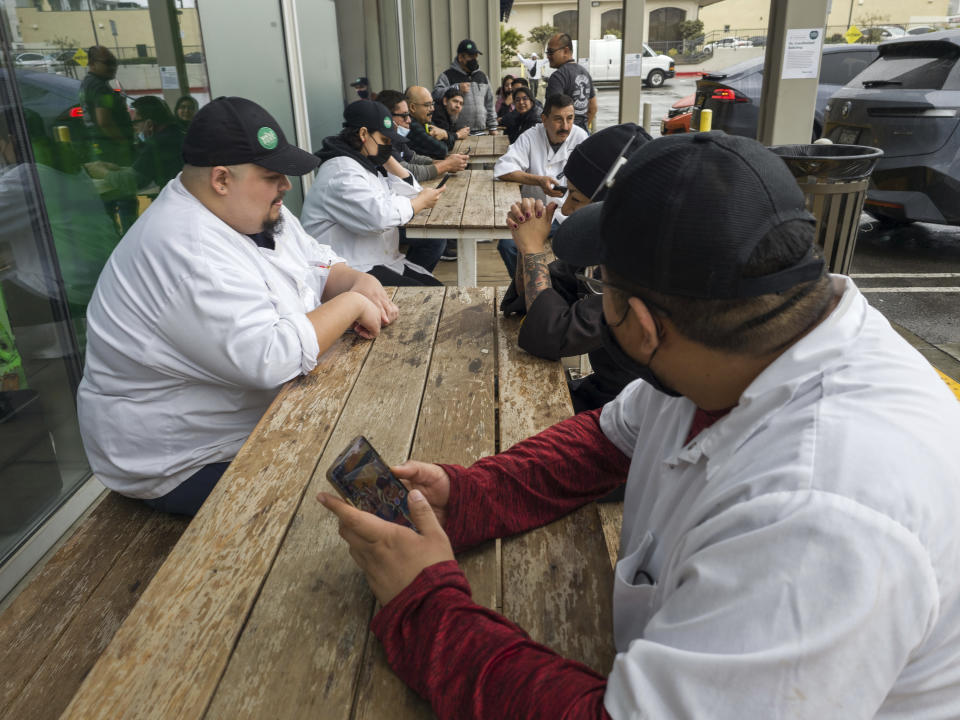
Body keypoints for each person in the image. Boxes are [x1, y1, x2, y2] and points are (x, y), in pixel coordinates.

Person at [319, 131, 960, 718]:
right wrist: (470, 496)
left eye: (602, 284)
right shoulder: (753, 344)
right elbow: (605, 439)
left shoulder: (820, 516)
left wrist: (425, 607)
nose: (597, 295)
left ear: (647, 326)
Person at [77, 96, 396, 516]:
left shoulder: (248, 209)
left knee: (381, 455)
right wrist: (353, 302)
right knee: (341, 512)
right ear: (221, 179)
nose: (285, 184)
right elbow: (269, 356)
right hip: (183, 459)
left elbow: (312, 258)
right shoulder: (185, 248)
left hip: (253, 417)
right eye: (271, 175)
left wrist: (353, 277)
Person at [501, 123, 652, 418]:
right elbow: (539, 297)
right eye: (567, 194)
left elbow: (551, 333)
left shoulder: (639, 269)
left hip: (631, 413)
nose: (566, 209)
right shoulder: (606, 242)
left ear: (611, 205)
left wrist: (533, 251)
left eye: (577, 198)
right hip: (603, 391)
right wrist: (525, 241)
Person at [302, 100, 444, 286]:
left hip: (375, 261)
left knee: (434, 286)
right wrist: (418, 203)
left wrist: (388, 160)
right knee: (429, 294)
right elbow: (380, 217)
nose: (389, 146)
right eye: (385, 141)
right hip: (347, 270)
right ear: (363, 134)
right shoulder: (342, 172)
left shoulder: (365, 165)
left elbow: (410, 193)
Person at [494, 93, 587, 277]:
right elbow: (502, 169)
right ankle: (525, 288)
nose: (566, 126)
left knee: (578, 249)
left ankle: (563, 293)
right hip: (537, 213)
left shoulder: (580, 137)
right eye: (558, 120)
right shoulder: (530, 136)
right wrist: (537, 180)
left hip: (570, 214)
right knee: (508, 246)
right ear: (544, 119)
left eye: (570, 119)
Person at [377, 89, 468, 269]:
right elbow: (406, 171)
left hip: (392, 209)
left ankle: (411, 276)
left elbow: (412, 159)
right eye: (404, 116)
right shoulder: (381, 143)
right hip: (382, 225)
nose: (408, 120)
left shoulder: (393, 137)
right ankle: (410, 281)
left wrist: (445, 162)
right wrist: (445, 164)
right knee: (434, 237)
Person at [78, 45, 137, 232]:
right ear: (92, 63)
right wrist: (123, 142)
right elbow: (104, 121)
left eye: (115, 63)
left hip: (101, 148)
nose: (113, 67)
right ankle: (130, 235)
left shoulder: (90, 83)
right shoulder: (98, 87)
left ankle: (113, 234)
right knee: (125, 195)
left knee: (108, 196)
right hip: (112, 150)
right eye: (108, 63)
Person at [85, 95, 186, 193]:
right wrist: (118, 169)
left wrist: (103, 173)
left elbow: (134, 182)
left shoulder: (158, 144)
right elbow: (143, 171)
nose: (135, 129)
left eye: (136, 123)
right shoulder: (176, 134)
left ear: (149, 124)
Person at [432, 39, 498, 135]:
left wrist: (493, 127)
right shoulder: (447, 75)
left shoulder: (482, 76)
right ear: (460, 58)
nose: (474, 59)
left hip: (481, 132)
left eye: (476, 56)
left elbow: (489, 103)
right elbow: (435, 94)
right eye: (471, 56)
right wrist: (456, 88)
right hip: (458, 133)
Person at [545, 33, 597, 132]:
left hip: (563, 136)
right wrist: (580, 131)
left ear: (566, 51)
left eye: (551, 52)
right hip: (583, 135)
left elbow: (552, 112)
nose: (548, 56)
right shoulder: (585, 73)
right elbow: (593, 108)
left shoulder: (558, 77)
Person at [403, 86, 451, 161]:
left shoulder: (424, 120)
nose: (432, 109)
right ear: (412, 107)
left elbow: (448, 145)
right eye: (427, 105)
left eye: (432, 104)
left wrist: (445, 134)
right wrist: (445, 135)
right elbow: (442, 150)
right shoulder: (411, 125)